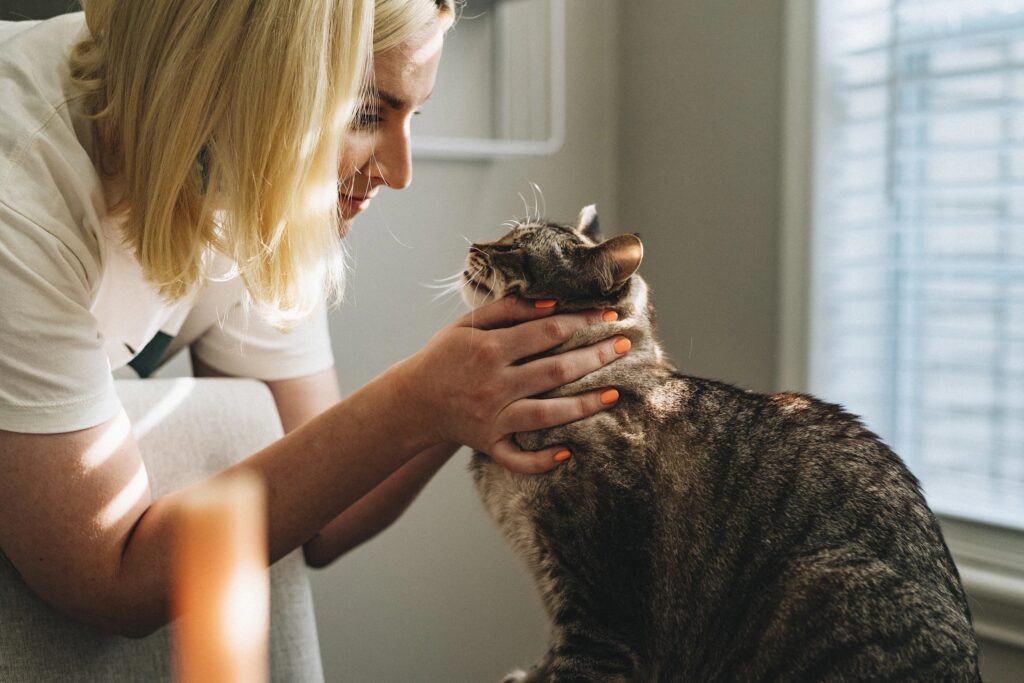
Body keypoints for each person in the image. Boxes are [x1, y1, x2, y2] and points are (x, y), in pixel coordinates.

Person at [0, 0, 629, 641]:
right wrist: (420, 400)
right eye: (365, 115)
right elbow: (109, 578)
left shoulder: (251, 168)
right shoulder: (19, 194)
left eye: (413, 115)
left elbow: (325, 518)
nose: (400, 173)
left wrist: (476, 388)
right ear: (235, 80)